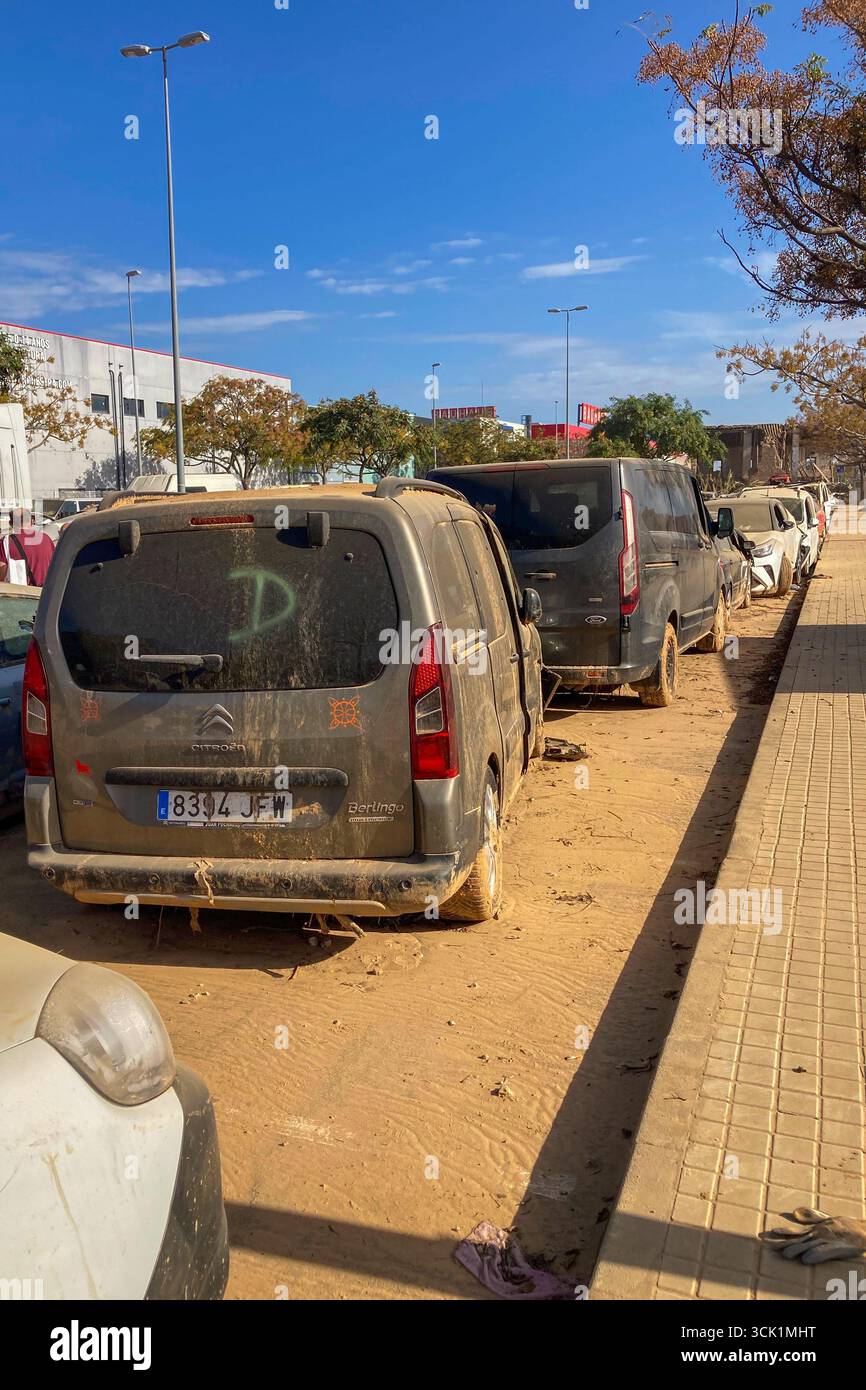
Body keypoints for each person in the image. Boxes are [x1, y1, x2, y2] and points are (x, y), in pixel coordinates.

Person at [0, 508, 56, 587]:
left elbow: (2, 572)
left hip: (23, 595)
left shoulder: (5, 542)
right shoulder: (47, 539)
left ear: (11, 523)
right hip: (46, 593)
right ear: (32, 521)